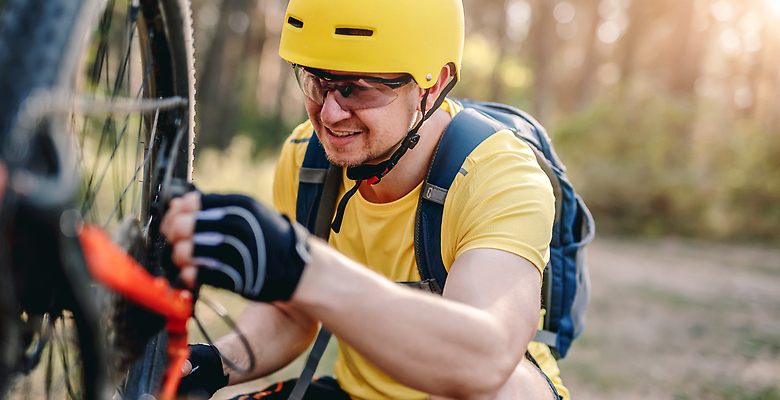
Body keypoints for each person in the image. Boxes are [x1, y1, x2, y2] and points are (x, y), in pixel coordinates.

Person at [160, 0, 570, 398]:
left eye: (358, 89)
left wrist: (303, 265)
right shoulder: (308, 160)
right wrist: (219, 361)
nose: (329, 114)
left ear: (434, 84)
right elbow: (291, 313)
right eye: (317, 82)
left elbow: (485, 362)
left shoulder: (499, 177)